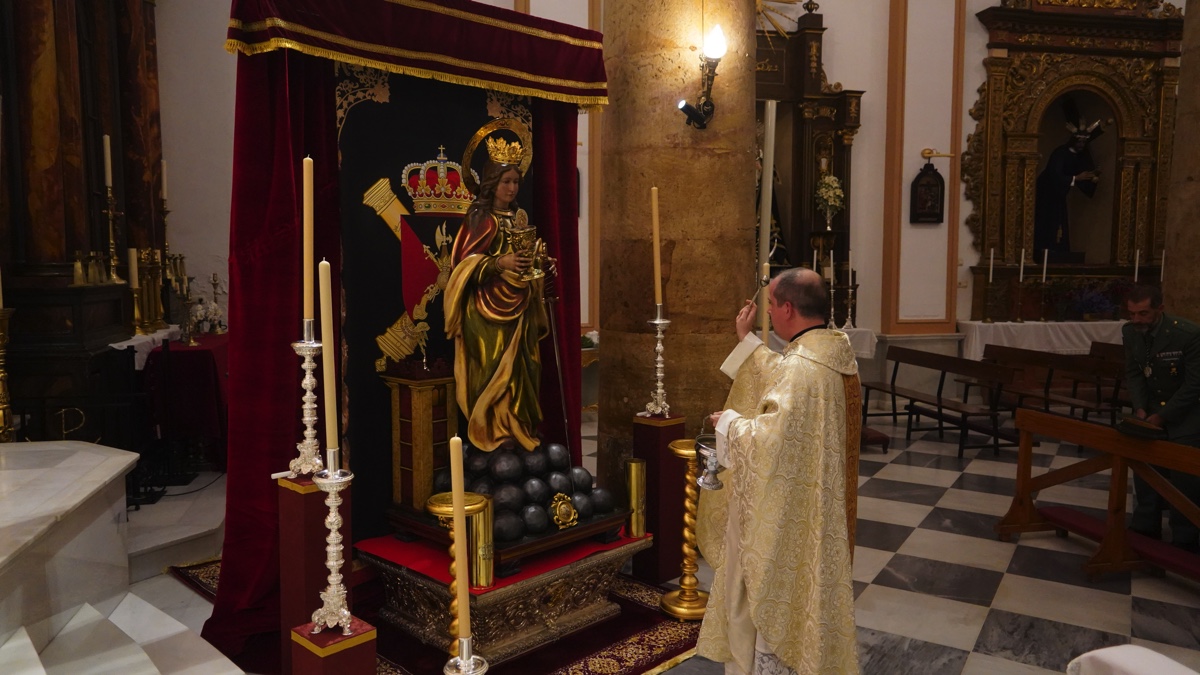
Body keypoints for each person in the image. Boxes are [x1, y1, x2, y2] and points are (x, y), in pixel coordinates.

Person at [696, 267, 859, 674]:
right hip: (813, 506)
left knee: (768, 595)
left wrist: (728, 423)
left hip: (786, 517)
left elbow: (768, 440)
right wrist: (747, 341)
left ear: (787, 308)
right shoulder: (833, 354)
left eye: (769, 304)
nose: (768, 310)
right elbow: (783, 380)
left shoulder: (802, 368)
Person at [444, 144, 551, 452]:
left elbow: (527, 259)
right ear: (492, 183)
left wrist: (541, 262)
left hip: (520, 310)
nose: (512, 187)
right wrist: (499, 263)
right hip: (485, 312)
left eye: (516, 182)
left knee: (525, 370)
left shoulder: (519, 218)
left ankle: (518, 429)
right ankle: (491, 432)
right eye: (506, 181)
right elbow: (461, 266)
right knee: (490, 372)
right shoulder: (481, 219)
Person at [1122, 285, 1200, 551]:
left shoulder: (1187, 334)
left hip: (1187, 414)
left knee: (1184, 480)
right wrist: (1141, 409)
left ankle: (1185, 538)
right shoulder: (1130, 332)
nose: (1137, 320)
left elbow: (1194, 385)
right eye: (1132, 314)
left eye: (1143, 313)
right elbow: (1134, 372)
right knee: (1145, 470)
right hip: (1151, 410)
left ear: (1160, 309)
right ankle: (1145, 527)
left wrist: (1162, 416)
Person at [1034, 129, 1100, 256]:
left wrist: (1092, 177)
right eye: (1079, 141)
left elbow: (1080, 174)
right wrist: (1075, 178)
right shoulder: (1060, 153)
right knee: (1048, 221)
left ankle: (1059, 251)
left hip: (1059, 194)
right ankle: (1044, 250)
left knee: (1060, 223)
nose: (1081, 145)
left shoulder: (1078, 156)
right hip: (1047, 193)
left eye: (1083, 142)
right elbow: (1054, 175)